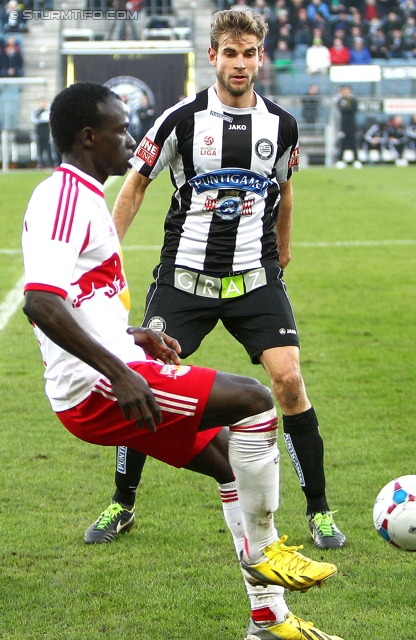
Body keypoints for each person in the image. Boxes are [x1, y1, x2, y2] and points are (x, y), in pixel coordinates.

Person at [22, 81, 345, 640]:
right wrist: (121, 371)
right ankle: (267, 551)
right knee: (254, 400)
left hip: (112, 372)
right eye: (120, 129)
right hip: (93, 390)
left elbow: (80, 298)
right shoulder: (63, 197)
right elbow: (41, 302)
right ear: (88, 136)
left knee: (227, 463)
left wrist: (134, 338)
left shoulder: (84, 195)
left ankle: (268, 621)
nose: (130, 138)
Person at [85, 9, 347, 555]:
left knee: (290, 383)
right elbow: (134, 188)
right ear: (213, 56)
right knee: (141, 384)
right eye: (230, 53)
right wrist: (106, 256)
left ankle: (320, 512)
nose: (240, 63)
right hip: (184, 281)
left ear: (259, 58)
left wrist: (286, 250)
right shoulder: (180, 119)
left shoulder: (282, 125)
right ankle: (122, 501)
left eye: (249, 53)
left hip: (255, 280)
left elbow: (286, 191)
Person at [335, 84, 361, 167]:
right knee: (342, 143)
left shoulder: (353, 100)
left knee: (353, 142)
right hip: (343, 125)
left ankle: (356, 160)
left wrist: (346, 108)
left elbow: (353, 109)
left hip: (352, 125)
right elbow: (340, 109)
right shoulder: (340, 100)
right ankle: (340, 160)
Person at [31, 97, 53, 169]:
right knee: (40, 149)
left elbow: (48, 119)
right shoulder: (36, 112)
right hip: (39, 132)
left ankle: (50, 164)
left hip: (46, 132)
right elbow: (34, 120)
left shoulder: (48, 111)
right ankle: (40, 164)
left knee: (48, 148)